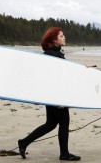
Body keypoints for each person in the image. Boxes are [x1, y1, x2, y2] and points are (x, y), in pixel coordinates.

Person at [18, 27, 81, 161]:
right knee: (64, 123)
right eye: (61, 36)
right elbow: (50, 80)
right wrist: (57, 99)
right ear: (54, 39)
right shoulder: (52, 55)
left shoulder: (54, 53)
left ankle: (24, 142)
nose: (65, 37)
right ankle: (64, 154)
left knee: (51, 123)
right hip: (55, 95)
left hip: (52, 95)